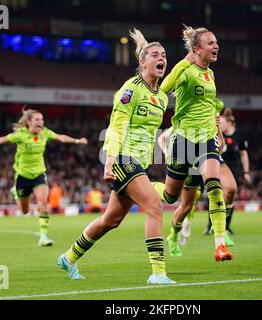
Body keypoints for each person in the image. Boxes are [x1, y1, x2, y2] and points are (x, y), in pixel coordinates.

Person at [57, 28, 175, 284]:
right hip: (122, 159)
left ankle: (69, 257)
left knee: (111, 220)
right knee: (155, 205)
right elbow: (116, 127)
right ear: (142, 62)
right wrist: (109, 161)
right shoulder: (130, 89)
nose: (162, 58)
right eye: (155, 54)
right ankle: (158, 273)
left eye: (164, 55)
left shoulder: (162, 98)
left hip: (139, 164)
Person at [153, 25, 232, 262]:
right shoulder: (187, 71)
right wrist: (184, 62)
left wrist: (217, 132)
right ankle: (173, 232)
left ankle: (220, 244)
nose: (216, 45)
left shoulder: (210, 74)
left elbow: (208, 108)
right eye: (210, 43)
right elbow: (163, 89)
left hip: (206, 139)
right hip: (184, 141)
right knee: (171, 197)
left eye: (216, 42)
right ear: (197, 49)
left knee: (214, 185)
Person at [0, 108, 88, 246]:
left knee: (43, 202)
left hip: (39, 174)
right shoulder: (20, 135)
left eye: (42, 119)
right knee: (24, 211)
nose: (40, 122)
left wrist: (78, 141)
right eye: (37, 119)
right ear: (29, 122)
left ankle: (44, 236)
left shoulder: (45, 133)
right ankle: (16, 193)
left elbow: (61, 137)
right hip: (23, 176)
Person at [204, 107, 251, 242]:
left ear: (230, 123)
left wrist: (246, 172)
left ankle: (226, 226)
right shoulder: (218, 135)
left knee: (230, 195)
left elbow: (244, 154)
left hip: (234, 169)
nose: (221, 125)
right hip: (218, 166)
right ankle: (211, 225)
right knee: (214, 195)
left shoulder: (239, 137)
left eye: (223, 123)